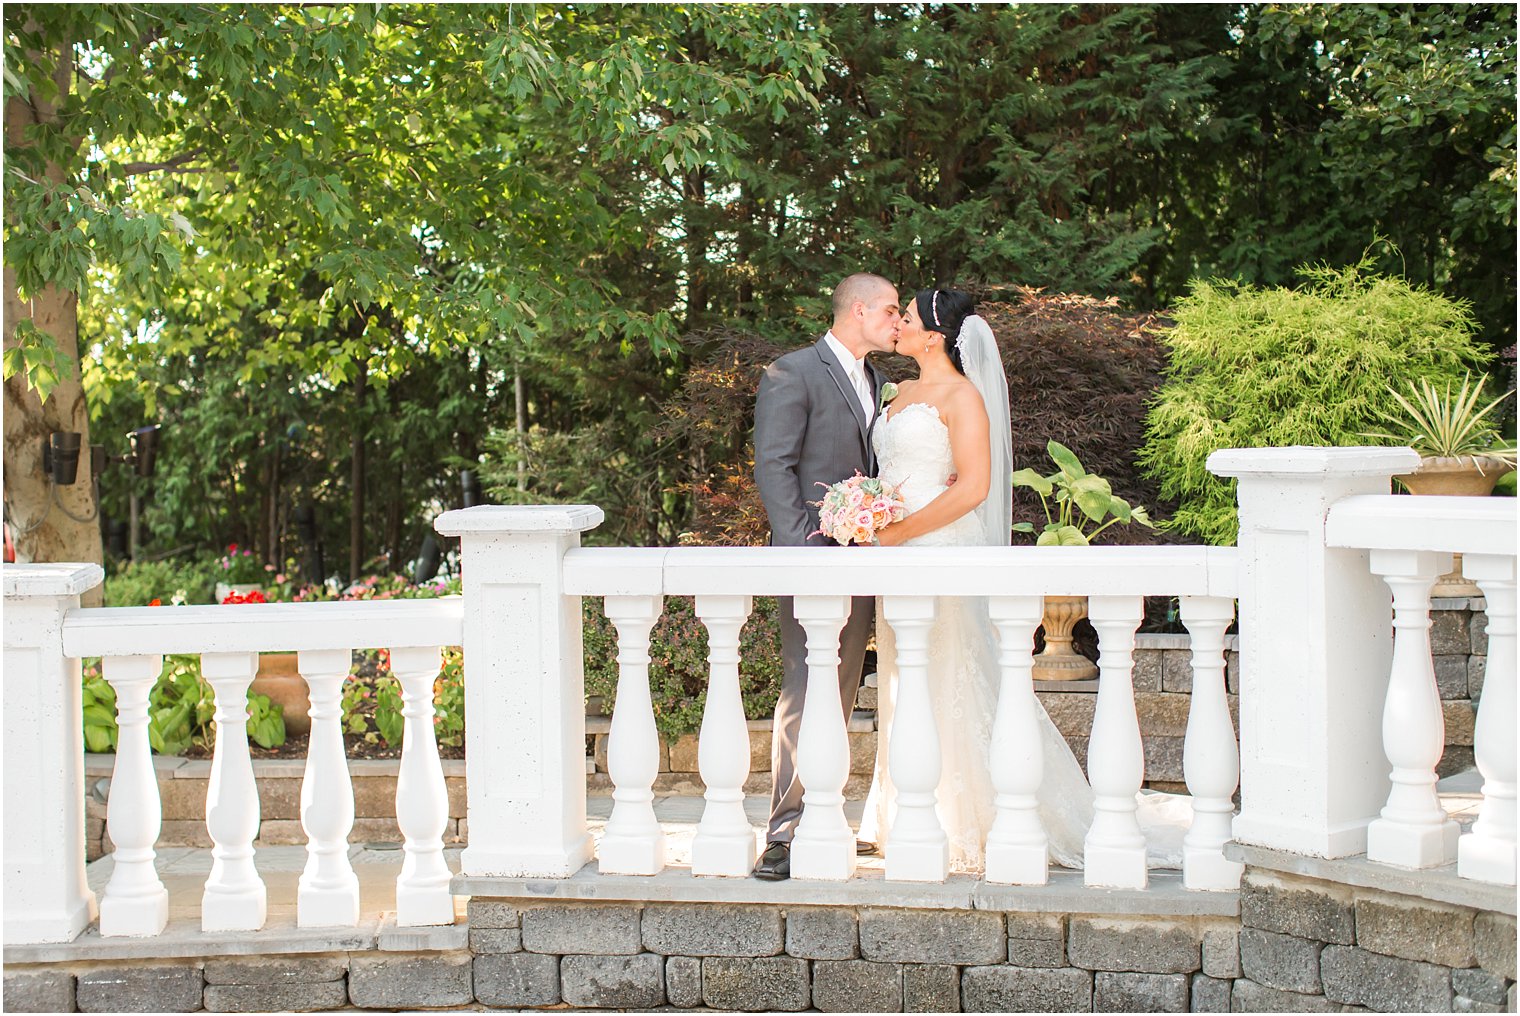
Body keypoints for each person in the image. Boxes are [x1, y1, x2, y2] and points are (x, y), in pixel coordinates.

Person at [858, 289, 1098, 872]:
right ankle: (905, 810)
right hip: (896, 551)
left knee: (953, 671)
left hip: (938, 546)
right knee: (903, 676)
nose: (898, 325)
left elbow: (973, 488)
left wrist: (899, 530)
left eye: (907, 319)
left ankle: (960, 820)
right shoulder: (899, 392)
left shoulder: (963, 396)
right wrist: (865, 512)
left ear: (935, 336)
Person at [750, 272, 902, 881]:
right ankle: (784, 833)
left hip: (872, 558)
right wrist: (802, 551)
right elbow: (774, 465)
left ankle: (823, 814)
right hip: (814, 558)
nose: (897, 321)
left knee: (842, 687)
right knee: (804, 688)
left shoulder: (879, 381)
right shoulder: (793, 371)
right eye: (891, 311)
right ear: (858, 310)